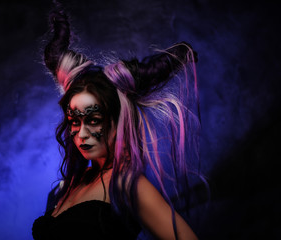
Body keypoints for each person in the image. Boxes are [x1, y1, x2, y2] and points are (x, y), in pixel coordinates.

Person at [32, 3, 205, 240]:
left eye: (93, 120)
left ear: (117, 119)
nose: (81, 133)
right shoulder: (66, 187)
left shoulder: (127, 184)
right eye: (74, 121)